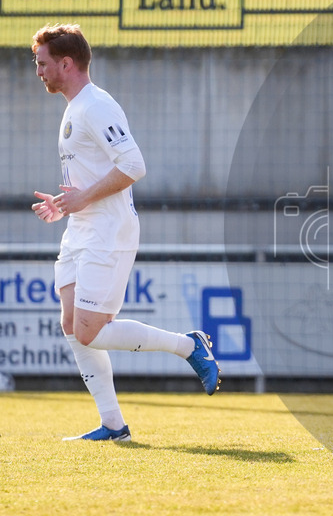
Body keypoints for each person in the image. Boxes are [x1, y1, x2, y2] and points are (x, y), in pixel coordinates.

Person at [30, 24, 220, 442]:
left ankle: (188, 346)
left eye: (42, 63)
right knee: (71, 324)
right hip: (81, 229)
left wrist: (83, 199)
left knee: (90, 331)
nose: (38, 71)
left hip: (109, 231)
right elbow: (88, 181)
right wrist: (64, 205)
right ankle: (114, 425)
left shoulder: (96, 105)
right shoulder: (74, 108)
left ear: (66, 63)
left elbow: (134, 166)